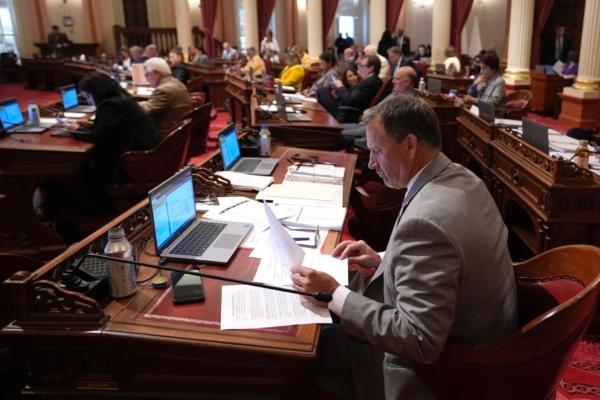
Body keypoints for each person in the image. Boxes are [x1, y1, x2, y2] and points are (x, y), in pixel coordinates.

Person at [291, 96, 518, 400]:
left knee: (302, 351)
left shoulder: (427, 221)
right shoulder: (464, 178)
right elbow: (449, 257)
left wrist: (333, 294)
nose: (371, 163)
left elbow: (419, 339)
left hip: (443, 371)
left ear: (410, 144)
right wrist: (383, 257)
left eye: (377, 151)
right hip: (477, 331)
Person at [66, 72, 160, 185]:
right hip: (144, 151)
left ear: (96, 92)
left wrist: (76, 129)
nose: (88, 101)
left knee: (84, 170)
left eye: (88, 96)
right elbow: (115, 127)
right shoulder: (120, 98)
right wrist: (91, 125)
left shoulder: (111, 105)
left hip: (131, 161)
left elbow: (97, 137)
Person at [339, 66, 417, 151]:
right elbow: (379, 109)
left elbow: (384, 123)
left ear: (407, 82)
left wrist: (370, 113)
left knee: (332, 134)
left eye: (397, 79)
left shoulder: (405, 102)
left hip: (367, 136)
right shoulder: (397, 93)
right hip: (363, 127)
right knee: (334, 128)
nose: (393, 81)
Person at [317, 55, 382, 120]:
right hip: (344, 106)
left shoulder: (370, 82)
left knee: (321, 90)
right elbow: (351, 95)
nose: (359, 69)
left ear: (371, 68)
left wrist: (340, 87)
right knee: (323, 90)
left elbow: (349, 101)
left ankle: (321, 120)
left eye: (362, 66)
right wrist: (337, 91)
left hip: (346, 112)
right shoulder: (369, 80)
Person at [140, 57, 191, 134]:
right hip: (180, 129)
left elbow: (146, 112)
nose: (146, 78)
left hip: (167, 134)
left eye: (146, 74)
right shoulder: (176, 82)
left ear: (156, 74)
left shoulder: (163, 90)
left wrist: (133, 104)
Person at [464, 51, 506, 116]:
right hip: (480, 112)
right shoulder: (482, 78)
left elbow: (492, 103)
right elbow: (469, 94)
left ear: (493, 69)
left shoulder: (499, 81)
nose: (482, 71)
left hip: (494, 115)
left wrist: (473, 100)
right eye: (481, 68)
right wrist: (474, 84)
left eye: (485, 68)